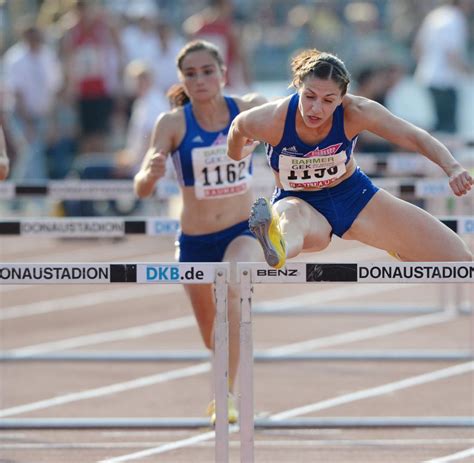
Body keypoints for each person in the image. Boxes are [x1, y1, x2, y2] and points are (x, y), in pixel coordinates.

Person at [227, 49, 473, 269]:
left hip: (354, 196)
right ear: (296, 86)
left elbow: (413, 136)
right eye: (309, 96)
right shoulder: (270, 119)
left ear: (343, 96)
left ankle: (392, 239)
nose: (316, 109)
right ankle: (275, 245)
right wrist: (239, 153)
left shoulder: (357, 111)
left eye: (328, 100)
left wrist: (452, 167)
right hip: (298, 199)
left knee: (459, 258)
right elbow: (238, 128)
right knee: (294, 219)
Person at [134, 40, 265, 424]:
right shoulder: (172, 123)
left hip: (242, 229)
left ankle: (223, 395)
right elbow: (141, 186)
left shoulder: (246, 109)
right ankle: (224, 369)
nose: (200, 79)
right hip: (194, 240)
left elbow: (290, 123)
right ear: (182, 80)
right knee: (213, 334)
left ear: (223, 73)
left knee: (234, 288)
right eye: (190, 74)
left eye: (208, 71)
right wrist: (151, 173)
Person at [413, 0, 473, 133]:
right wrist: (469, 72)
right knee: (447, 129)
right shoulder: (455, 19)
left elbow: (417, 47)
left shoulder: (435, 15)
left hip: (426, 78)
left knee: (437, 126)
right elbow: (451, 55)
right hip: (444, 82)